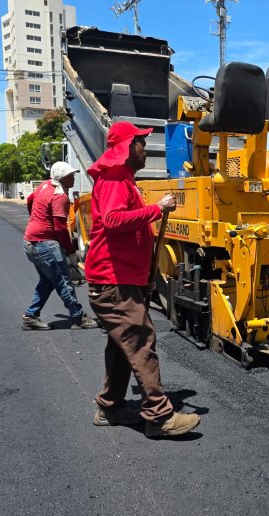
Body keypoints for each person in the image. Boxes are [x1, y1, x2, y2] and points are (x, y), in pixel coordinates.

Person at [85, 121, 201, 438]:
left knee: (124, 345)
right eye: (140, 141)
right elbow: (111, 221)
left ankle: (111, 407)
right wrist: (155, 209)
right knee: (140, 339)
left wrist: (143, 278)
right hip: (112, 280)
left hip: (121, 278)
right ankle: (159, 416)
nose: (146, 147)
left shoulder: (124, 180)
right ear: (126, 147)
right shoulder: (114, 179)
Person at [21, 161, 99, 331]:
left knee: (48, 282)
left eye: (73, 175)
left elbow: (29, 200)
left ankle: (30, 316)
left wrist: (36, 220)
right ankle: (78, 318)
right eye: (69, 176)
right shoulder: (60, 196)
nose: (72, 179)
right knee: (64, 281)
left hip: (30, 241)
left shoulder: (45, 185)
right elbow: (60, 228)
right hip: (45, 244)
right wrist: (71, 251)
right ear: (60, 178)